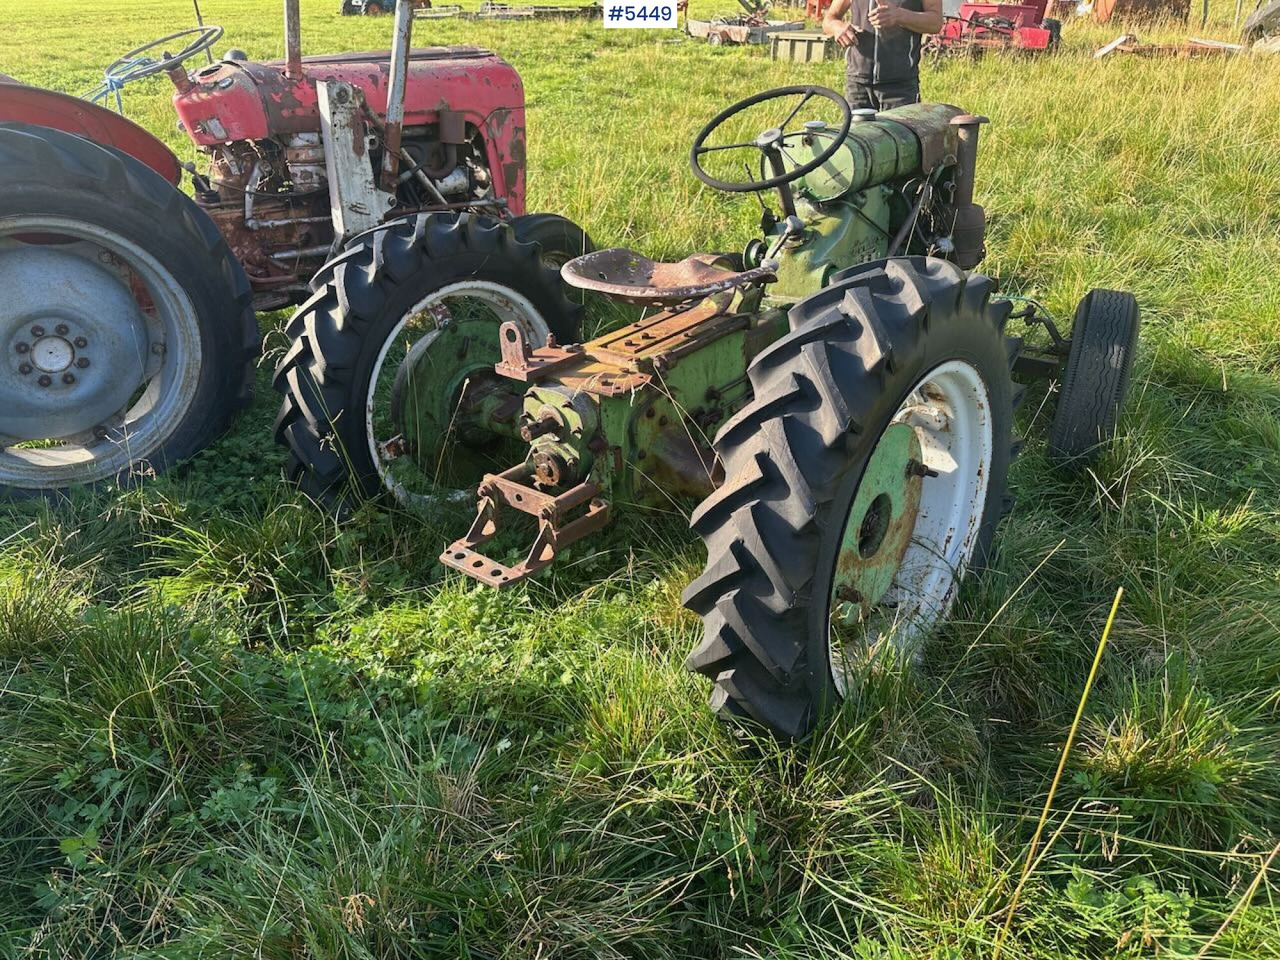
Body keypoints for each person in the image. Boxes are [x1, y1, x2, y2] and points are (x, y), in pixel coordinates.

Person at [822, 0, 944, 111]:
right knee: (856, 129)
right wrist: (837, 27)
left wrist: (900, 15)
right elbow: (829, 19)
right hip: (858, 85)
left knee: (898, 130)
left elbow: (935, 22)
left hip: (900, 86)